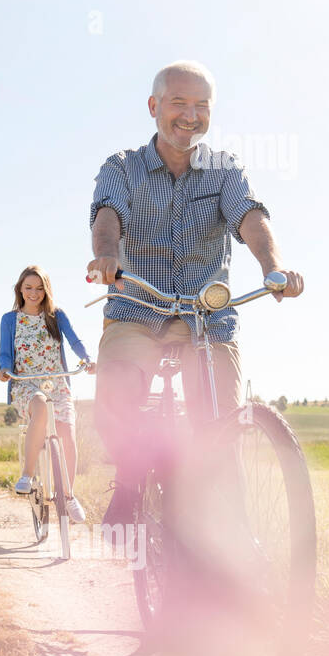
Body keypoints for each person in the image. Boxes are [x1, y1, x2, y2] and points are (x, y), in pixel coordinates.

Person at [86, 60, 304, 529]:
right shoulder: (121, 167)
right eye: (179, 103)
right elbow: (108, 216)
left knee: (222, 429)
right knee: (116, 398)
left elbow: (250, 217)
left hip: (209, 320)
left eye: (201, 105)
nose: (190, 115)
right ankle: (128, 479)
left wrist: (274, 267)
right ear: (154, 106)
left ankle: (234, 540)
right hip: (137, 309)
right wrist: (106, 256)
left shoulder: (225, 170)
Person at [0, 266, 93, 523]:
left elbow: (74, 340)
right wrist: (4, 369)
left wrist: (86, 358)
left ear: (46, 290)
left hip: (57, 384)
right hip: (26, 384)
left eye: (39, 288)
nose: (34, 293)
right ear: (20, 289)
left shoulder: (56, 315)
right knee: (39, 406)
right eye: (28, 287)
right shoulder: (10, 319)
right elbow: (5, 352)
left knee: (68, 436)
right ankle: (27, 475)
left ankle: (69, 495)